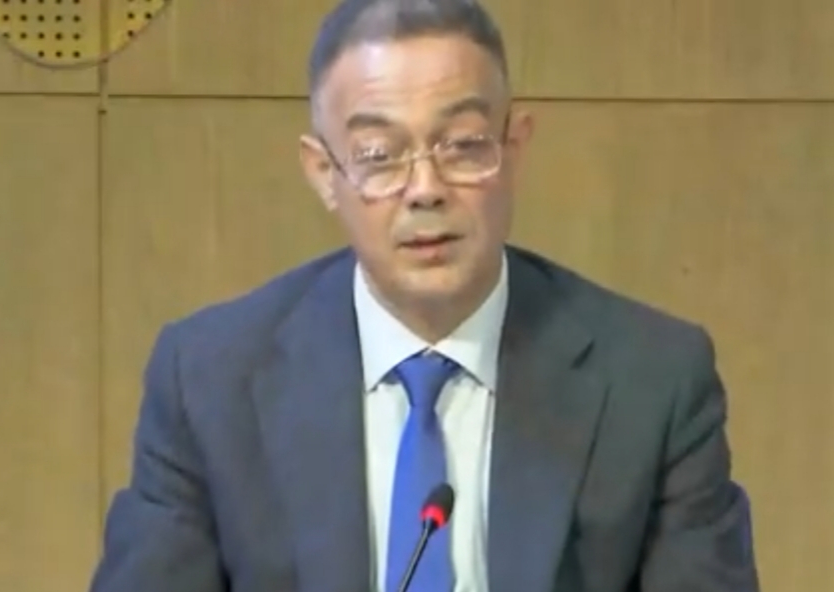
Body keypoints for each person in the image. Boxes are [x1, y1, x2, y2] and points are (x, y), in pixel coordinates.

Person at [89, 0, 760, 590]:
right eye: (380, 156)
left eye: (463, 146)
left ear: (514, 148)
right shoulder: (210, 381)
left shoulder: (652, 380)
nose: (426, 190)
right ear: (324, 173)